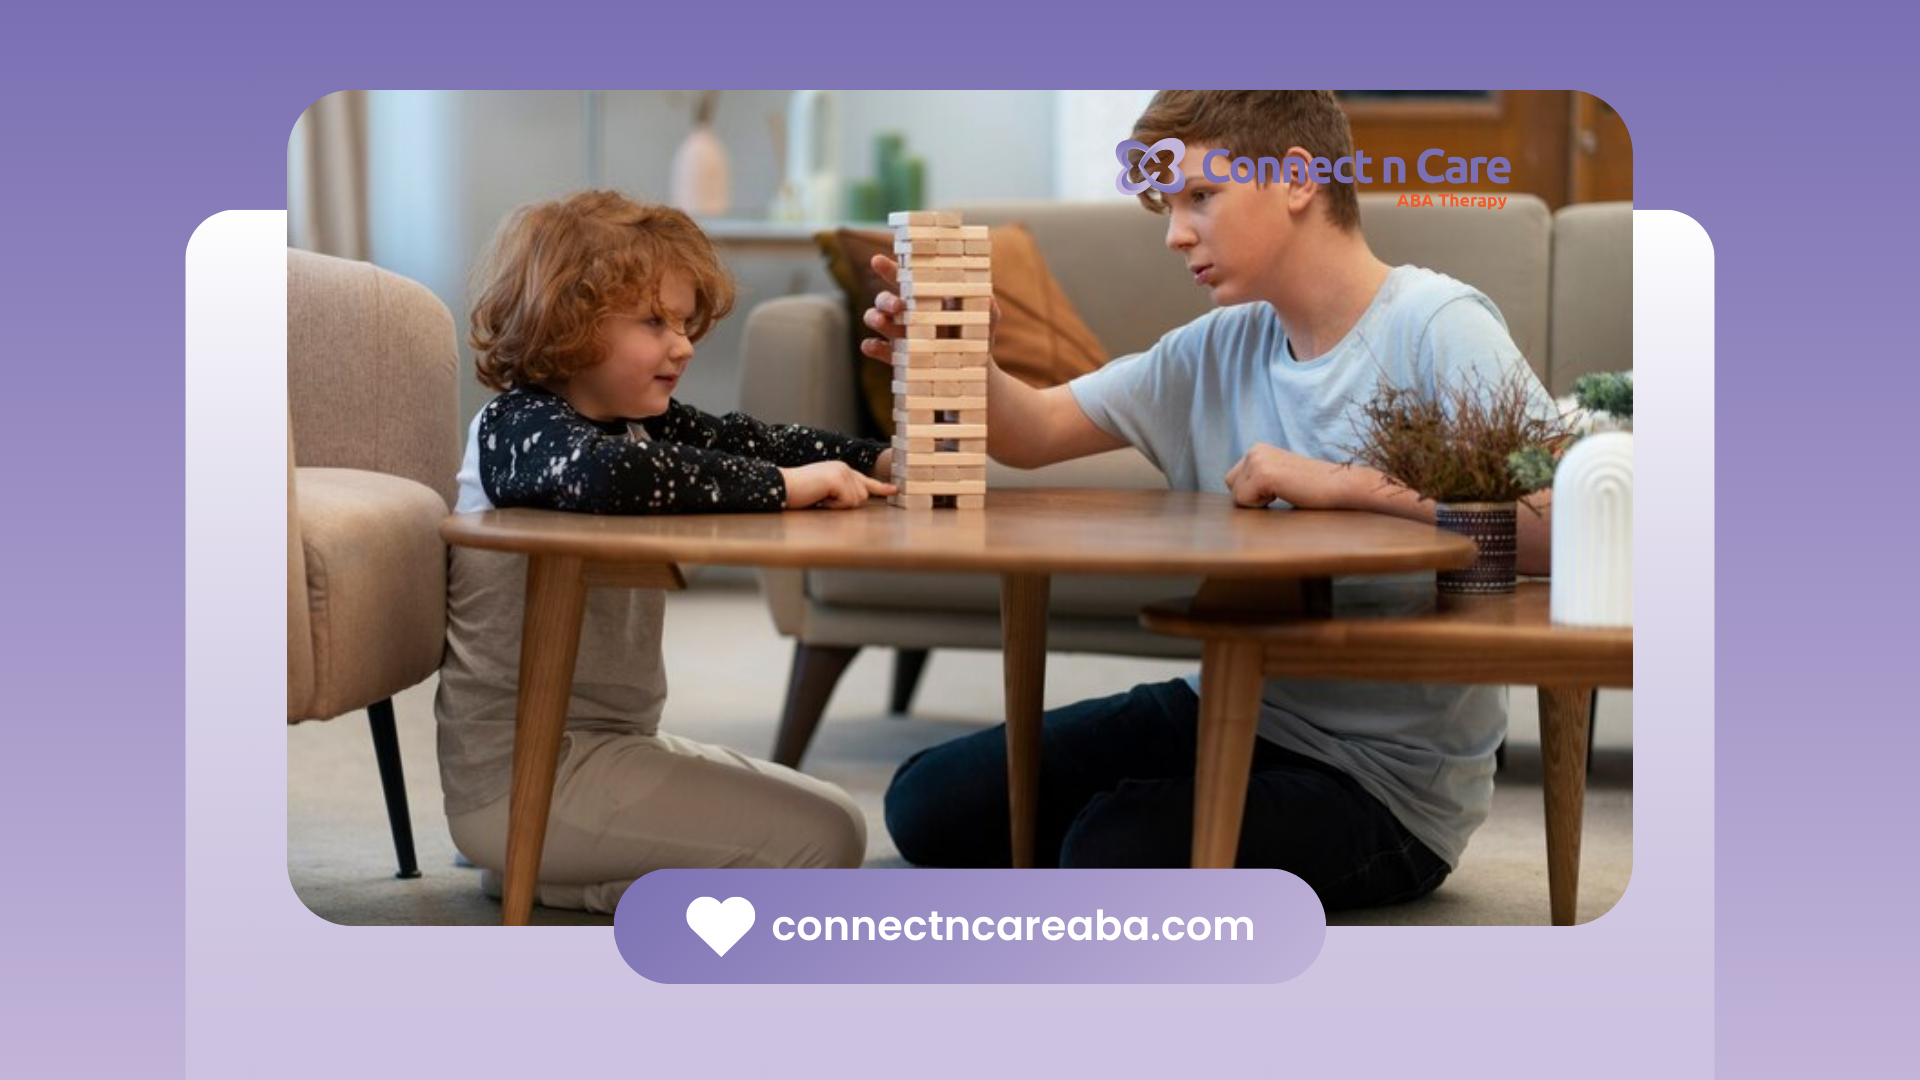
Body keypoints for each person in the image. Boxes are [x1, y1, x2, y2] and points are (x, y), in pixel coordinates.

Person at [876, 91, 1559, 910]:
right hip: (1234, 709)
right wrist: (962, 352)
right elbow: (1032, 429)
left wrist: (1343, 487)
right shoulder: (1219, 345)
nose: (1175, 232)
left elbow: (1555, 522)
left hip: (1385, 784)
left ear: (1297, 179)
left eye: (1201, 196)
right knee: (927, 805)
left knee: (1109, 852)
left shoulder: (1438, 325)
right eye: (1169, 206)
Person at [435, 191, 895, 914]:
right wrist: (786, 487)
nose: (682, 345)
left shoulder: (634, 422)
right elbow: (607, 476)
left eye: (684, 323)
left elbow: (759, 440)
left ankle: (536, 867)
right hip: (525, 777)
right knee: (825, 845)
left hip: (608, 749)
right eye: (654, 322)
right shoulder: (518, 427)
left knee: (834, 815)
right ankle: (526, 854)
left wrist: (879, 460)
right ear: (567, 323)